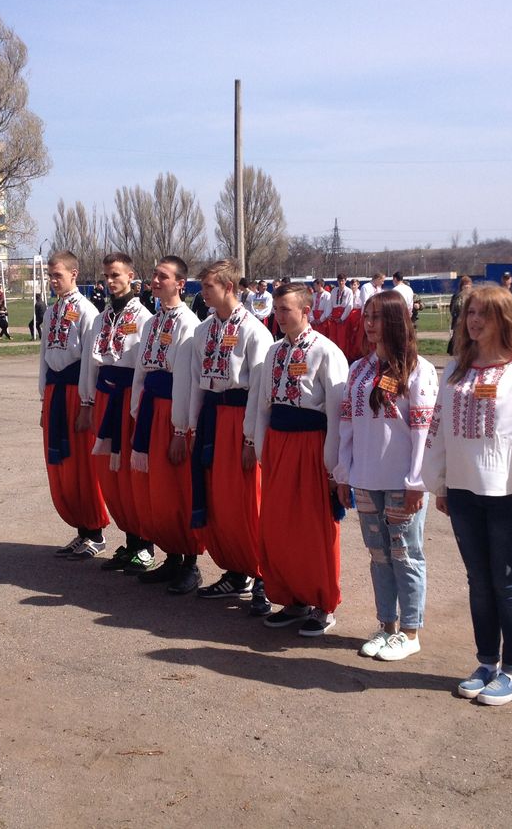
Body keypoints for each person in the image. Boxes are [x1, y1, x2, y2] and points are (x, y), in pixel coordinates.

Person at [424, 285, 512, 705]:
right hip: (464, 493)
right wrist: (440, 481)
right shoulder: (456, 369)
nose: (475, 320)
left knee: (508, 583)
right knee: (478, 582)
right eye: (470, 313)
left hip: (508, 496)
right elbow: (439, 429)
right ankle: (487, 662)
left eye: (484, 313)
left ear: (506, 319)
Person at [335, 292, 438, 661]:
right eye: (367, 316)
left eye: (377, 317)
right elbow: (347, 426)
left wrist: (416, 481)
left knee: (406, 554)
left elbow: (423, 432)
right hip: (365, 479)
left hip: (400, 482)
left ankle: (410, 631)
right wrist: (343, 473)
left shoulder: (419, 370)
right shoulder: (359, 369)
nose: (370, 324)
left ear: (397, 320)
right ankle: (386, 626)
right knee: (379, 555)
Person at [254, 282, 349, 636]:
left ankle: (322, 603)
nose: (278, 316)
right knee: (278, 525)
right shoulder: (274, 352)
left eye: (286, 310)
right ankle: (292, 598)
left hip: (311, 445)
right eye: (276, 310)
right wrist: (262, 446)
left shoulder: (327, 351)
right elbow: (264, 403)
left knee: (314, 527)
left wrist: (332, 464)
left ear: (306, 312)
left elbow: (337, 413)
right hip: (279, 443)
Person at [186, 259, 274, 615]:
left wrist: (251, 438)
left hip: (241, 418)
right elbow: (195, 382)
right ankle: (236, 572)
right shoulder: (203, 330)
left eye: (208, 286)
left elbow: (260, 391)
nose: (202, 292)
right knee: (221, 500)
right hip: (212, 417)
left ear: (229, 287)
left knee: (249, 501)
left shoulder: (255, 331)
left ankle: (265, 577)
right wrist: (188, 427)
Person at [129, 255, 203, 594]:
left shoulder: (188, 323)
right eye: (155, 275)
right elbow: (141, 371)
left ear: (180, 284)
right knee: (158, 489)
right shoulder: (152, 321)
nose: (155, 280)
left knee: (178, 487)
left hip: (174, 411)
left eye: (163, 276)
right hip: (151, 407)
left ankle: (190, 563)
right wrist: (136, 410)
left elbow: (187, 379)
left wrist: (180, 429)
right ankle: (171, 556)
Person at [79, 252, 153, 573]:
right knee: (111, 476)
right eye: (107, 276)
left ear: (131, 276)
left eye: (116, 275)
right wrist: (87, 401)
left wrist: (138, 409)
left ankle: (145, 546)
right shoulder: (100, 318)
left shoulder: (144, 317)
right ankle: (129, 540)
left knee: (131, 473)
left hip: (129, 399)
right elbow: (89, 363)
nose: (111, 281)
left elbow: (144, 368)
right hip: (106, 396)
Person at [39, 251, 108, 559]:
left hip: (75, 393)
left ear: (74, 274)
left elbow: (91, 362)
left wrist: (86, 403)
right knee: (61, 465)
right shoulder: (51, 312)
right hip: (55, 392)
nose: (54, 281)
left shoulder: (86, 311)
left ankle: (95, 529)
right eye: (50, 276)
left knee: (81, 463)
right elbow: (43, 357)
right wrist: (44, 397)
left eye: (58, 275)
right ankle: (80, 528)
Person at [326, 274, 353, 351]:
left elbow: (349, 305)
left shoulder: (349, 291)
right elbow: (330, 303)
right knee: (333, 337)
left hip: (343, 315)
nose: (341, 282)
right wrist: (328, 315)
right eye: (339, 281)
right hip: (334, 315)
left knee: (342, 338)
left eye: (342, 281)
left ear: (345, 281)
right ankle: (333, 354)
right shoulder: (334, 291)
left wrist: (342, 318)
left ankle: (343, 356)